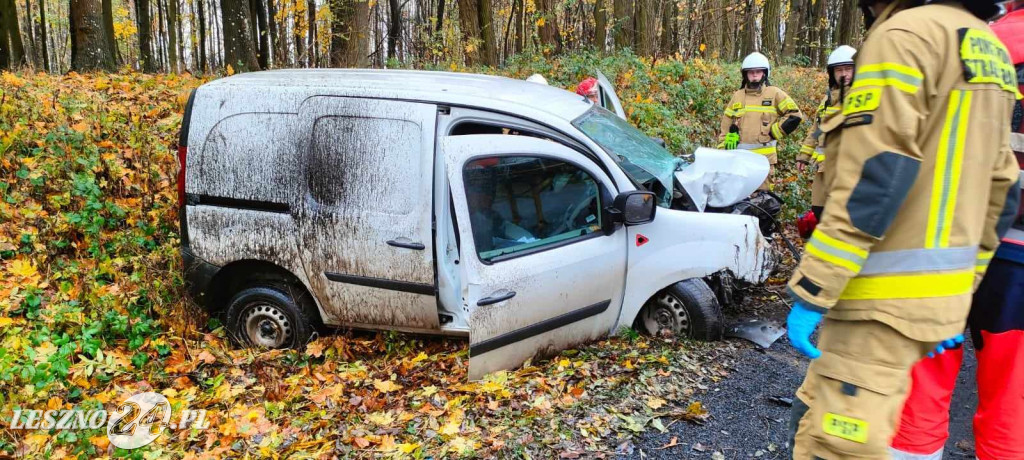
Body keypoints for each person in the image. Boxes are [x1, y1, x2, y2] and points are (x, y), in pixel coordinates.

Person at [785, 0, 1022, 458]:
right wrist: (958, 290)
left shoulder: (904, 36)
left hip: (878, 299)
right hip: (936, 299)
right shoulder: (988, 49)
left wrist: (815, 287)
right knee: (898, 431)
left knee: (840, 444)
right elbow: (1003, 190)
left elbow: (876, 177)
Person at [889, 5, 1024, 459]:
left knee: (923, 378)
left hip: (950, 237)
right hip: (1015, 252)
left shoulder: (975, 42)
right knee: (1012, 399)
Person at [718, 52, 804, 191]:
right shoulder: (737, 96)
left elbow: (795, 115)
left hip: (764, 161)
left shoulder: (774, 93)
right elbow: (726, 123)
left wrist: (774, 132)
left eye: (758, 71)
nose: (754, 74)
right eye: (751, 72)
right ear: (745, 74)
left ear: (764, 73)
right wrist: (723, 150)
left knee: (763, 202)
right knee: (738, 198)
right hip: (738, 160)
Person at [797, 45, 857, 223]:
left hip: (848, 171)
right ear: (832, 73)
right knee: (819, 212)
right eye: (839, 70)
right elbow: (816, 130)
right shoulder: (827, 100)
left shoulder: (862, 97)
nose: (844, 74)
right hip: (823, 170)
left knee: (843, 217)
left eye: (848, 69)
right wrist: (803, 156)